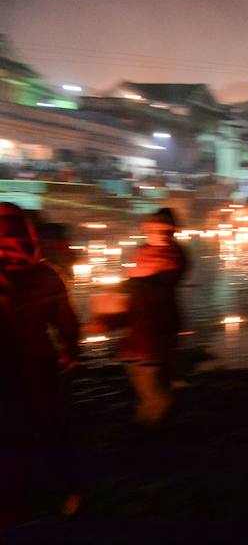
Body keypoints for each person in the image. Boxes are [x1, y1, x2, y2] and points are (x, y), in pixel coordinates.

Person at [0, 203, 81, 520]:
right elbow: (66, 322)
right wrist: (70, 351)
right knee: (48, 426)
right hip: (38, 364)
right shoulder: (46, 274)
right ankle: (66, 492)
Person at [118, 208, 188, 427]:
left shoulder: (173, 256)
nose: (158, 234)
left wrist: (135, 285)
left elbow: (164, 282)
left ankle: (151, 428)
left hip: (158, 324)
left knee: (155, 385)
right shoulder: (142, 252)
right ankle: (149, 421)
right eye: (153, 229)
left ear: (172, 232)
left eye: (164, 230)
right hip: (140, 325)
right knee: (144, 381)